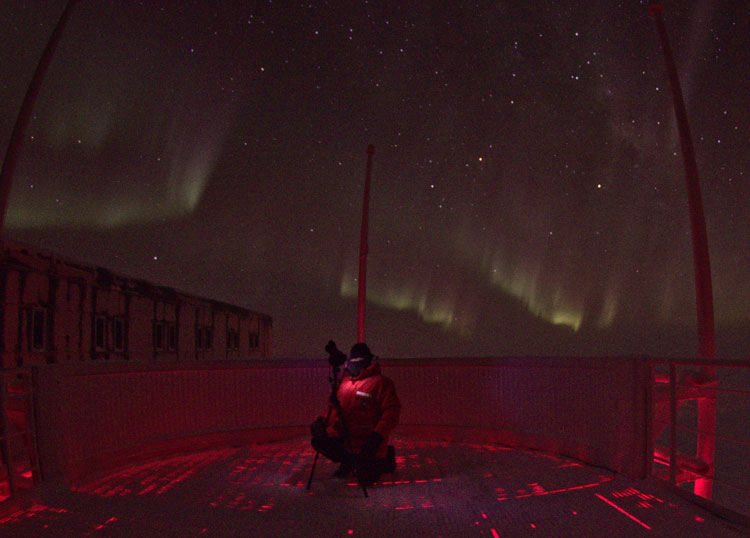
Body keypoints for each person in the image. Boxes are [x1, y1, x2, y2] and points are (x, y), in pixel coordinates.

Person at [310, 342, 401, 486]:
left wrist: (376, 437)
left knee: (366, 480)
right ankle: (350, 461)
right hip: (347, 441)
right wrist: (322, 422)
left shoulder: (382, 383)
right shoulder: (344, 383)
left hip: (369, 445)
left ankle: (383, 459)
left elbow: (392, 413)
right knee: (319, 441)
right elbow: (334, 409)